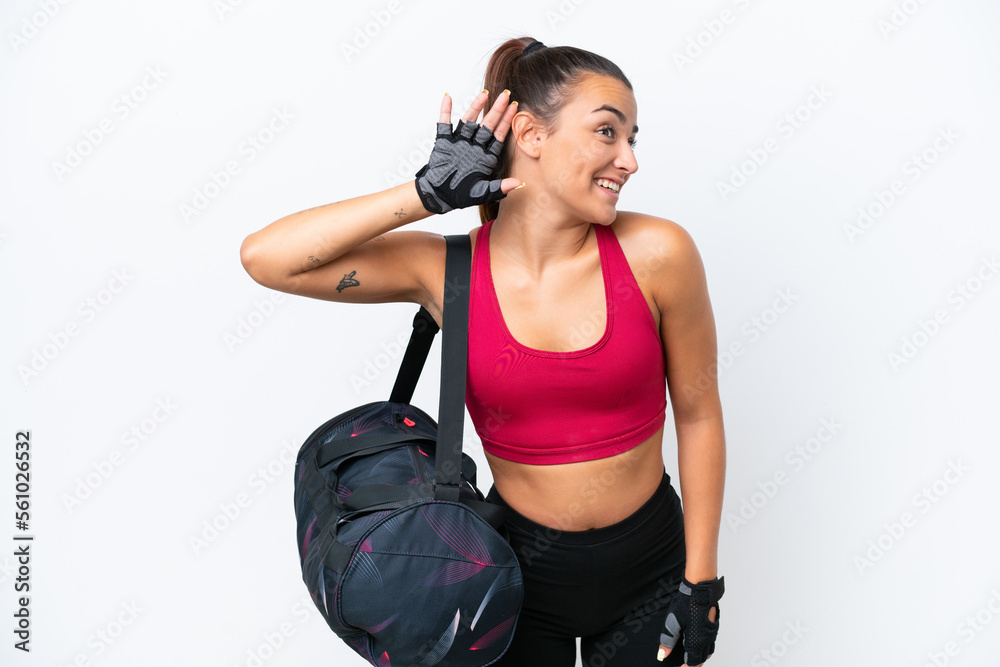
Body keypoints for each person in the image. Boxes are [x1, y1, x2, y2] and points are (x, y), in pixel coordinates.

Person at [240, 36, 726, 667]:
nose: (629, 160)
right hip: (512, 579)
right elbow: (266, 259)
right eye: (608, 132)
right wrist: (425, 194)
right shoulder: (447, 270)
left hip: (653, 568)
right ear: (530, 134)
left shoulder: (659, 253)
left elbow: (699, 414)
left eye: (633, 139)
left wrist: (702, 581)